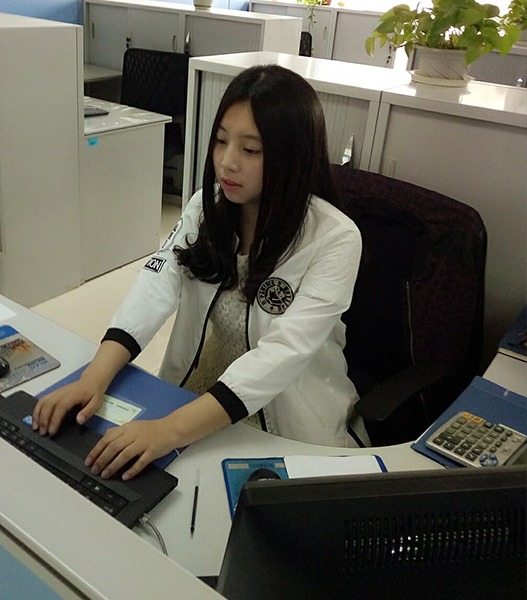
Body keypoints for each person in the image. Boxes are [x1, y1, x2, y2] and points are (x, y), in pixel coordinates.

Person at [33, 64, 365, 481]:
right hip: (198, 398)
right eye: (221, 141)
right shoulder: (206, 208)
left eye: (251, 150)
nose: (227, 162)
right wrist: (93, 377)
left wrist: (167, 431)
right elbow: (154, 287)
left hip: (283, 421)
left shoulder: (335, 238)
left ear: (293, 155)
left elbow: (283, 354)